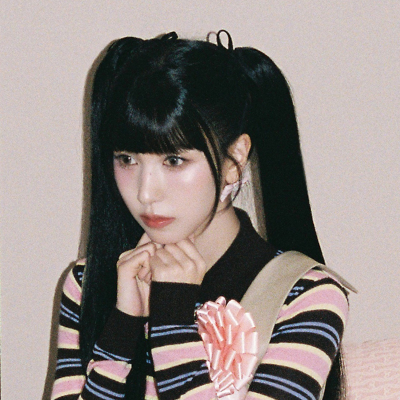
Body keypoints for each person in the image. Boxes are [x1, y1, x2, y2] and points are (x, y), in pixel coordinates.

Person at [50, 31, 350, 400]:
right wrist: (122, 325)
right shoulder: (88, 282)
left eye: (174, 160)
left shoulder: (305, 295)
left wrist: (173, 317)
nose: (145, 192)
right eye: (127, 159)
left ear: (234, 159)